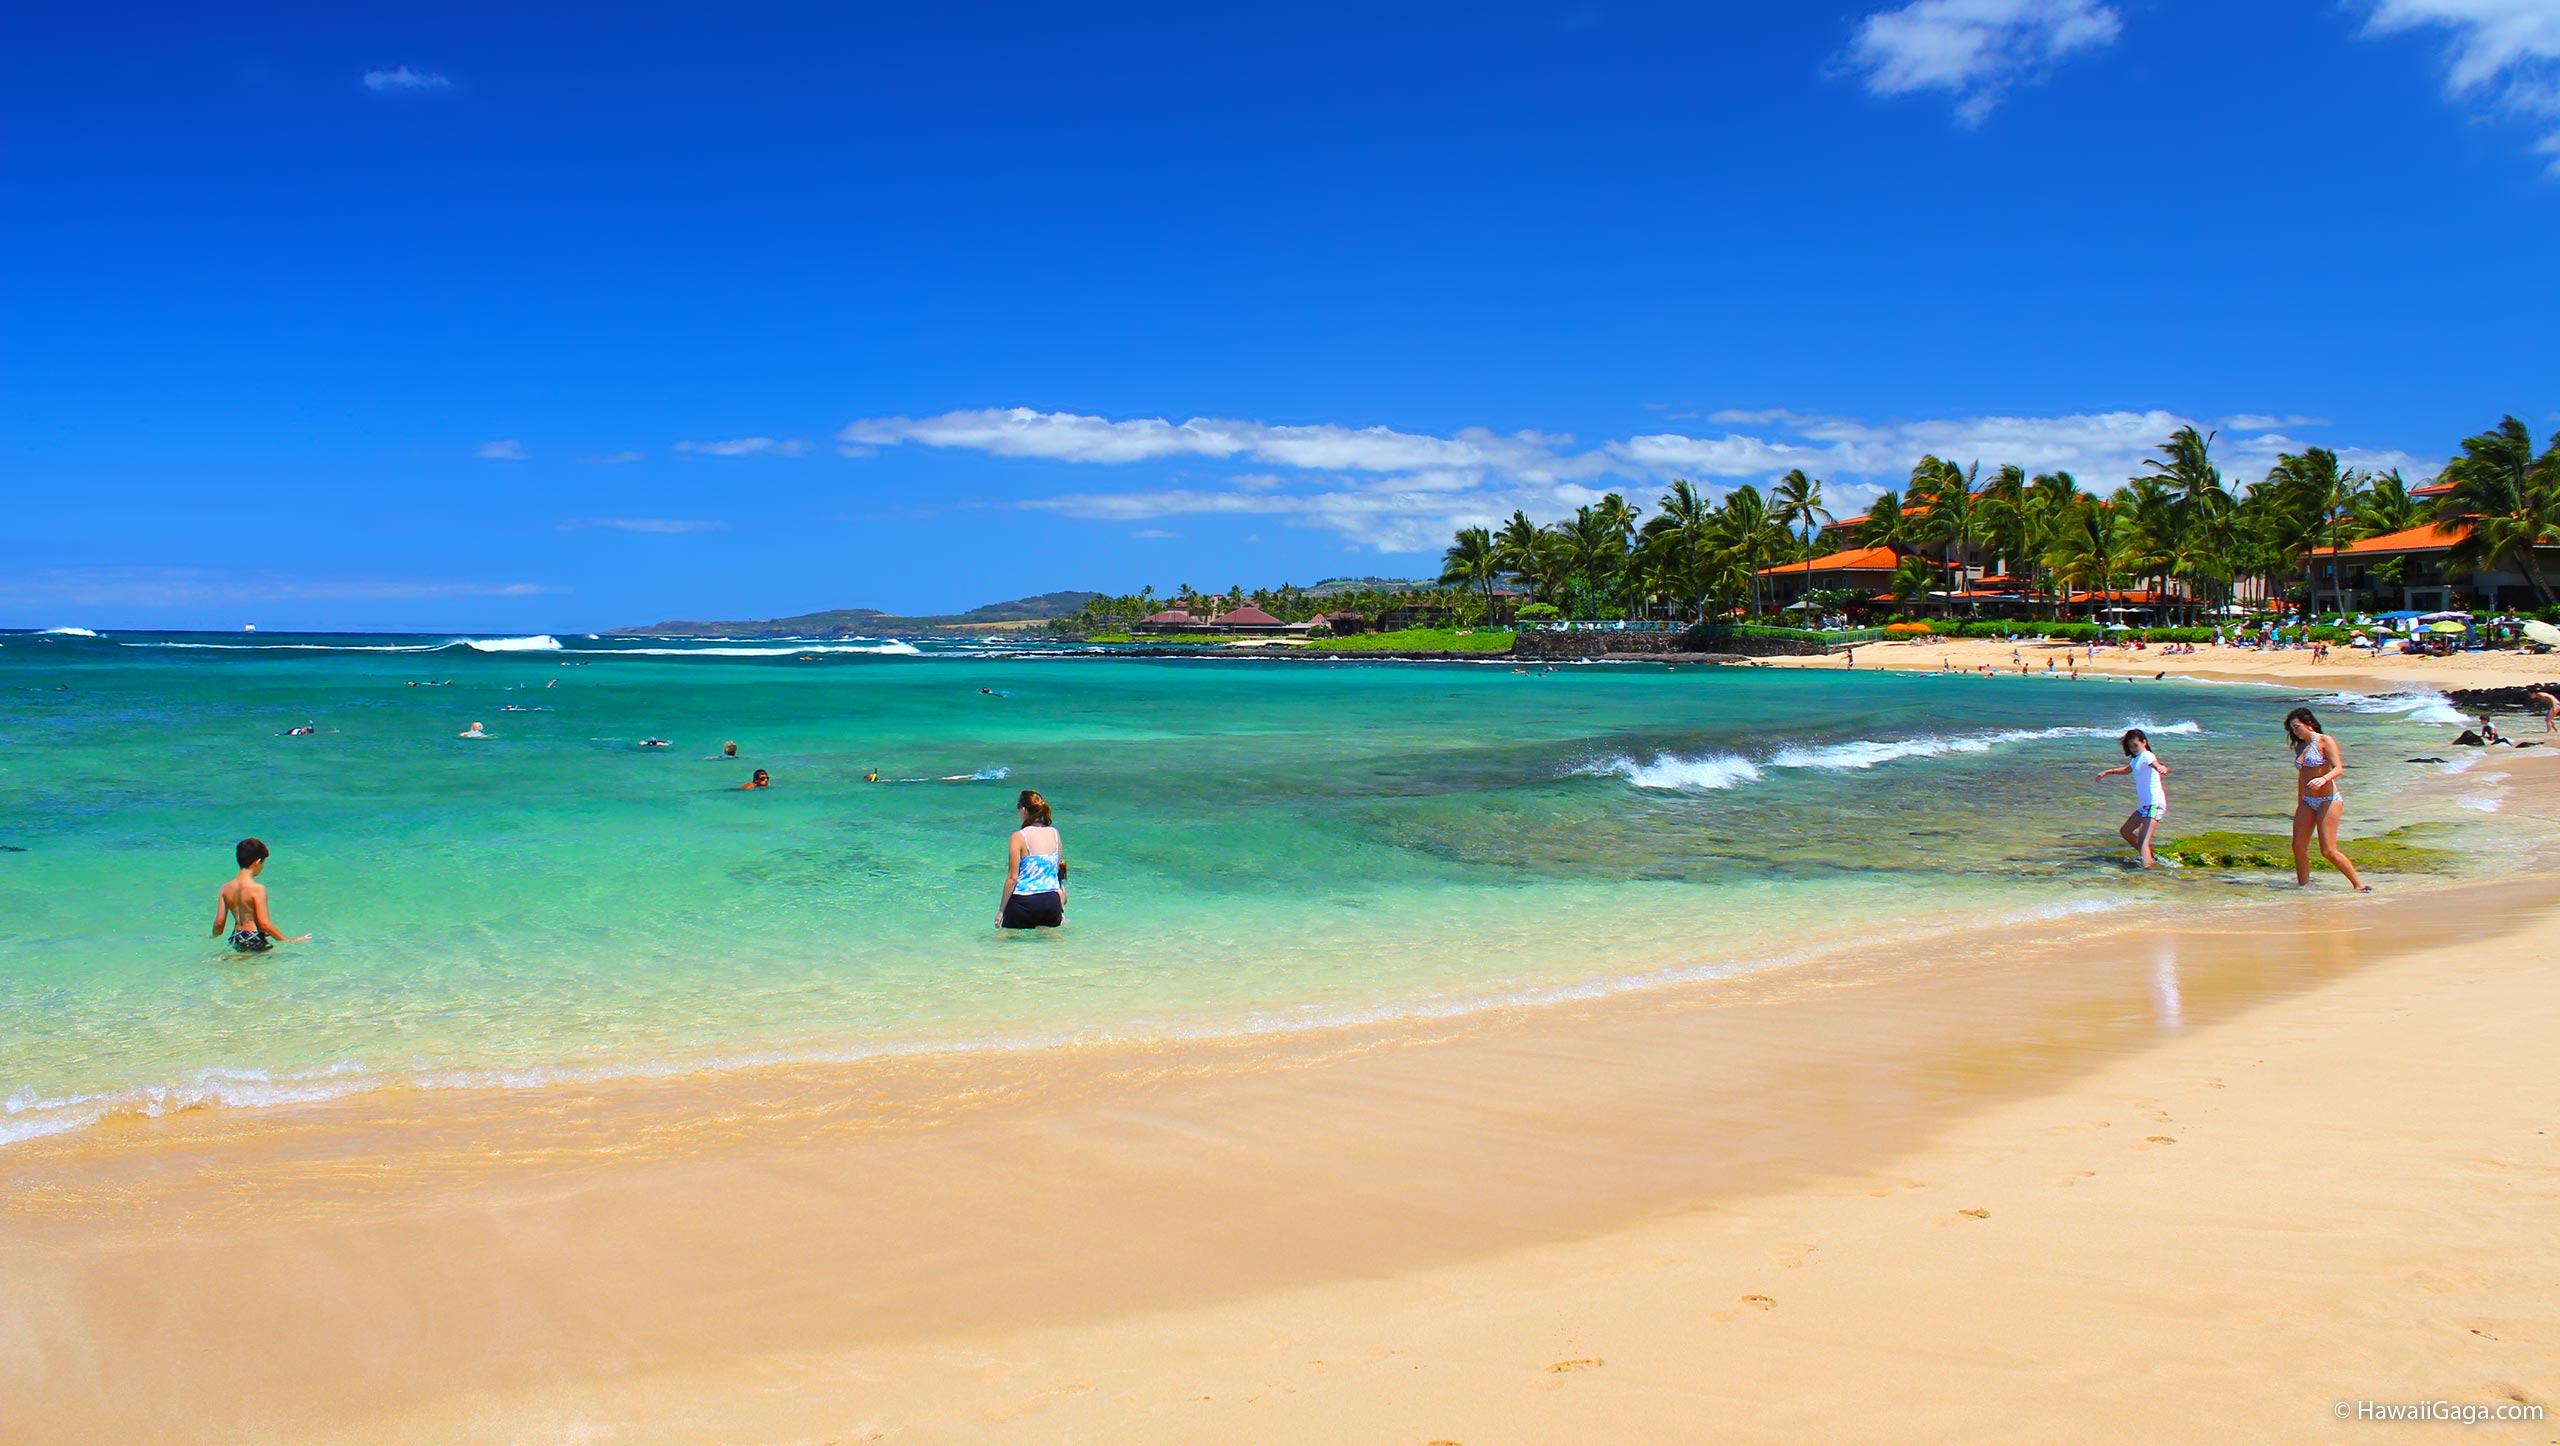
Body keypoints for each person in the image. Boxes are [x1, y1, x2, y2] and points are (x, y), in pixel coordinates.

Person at [2285, 707, 2371, 892]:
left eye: (2297, 726)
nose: (2295, 731)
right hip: (2308, 800)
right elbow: (2303, 777)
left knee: (2328, 850)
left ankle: (2359, 885)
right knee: (2298, 846)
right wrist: (2301, 804)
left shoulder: (2325, 741)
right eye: (2292, 729)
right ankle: (2303, 887)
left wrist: (2323, 778)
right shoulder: (2300, 746)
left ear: (2309, 724)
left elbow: (2339, 768)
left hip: (2328, 799)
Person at [211, 837, 309, 952]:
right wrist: (288, 940)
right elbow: (264, 923)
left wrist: (213, 937)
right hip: (254, 937)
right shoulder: (257, 889)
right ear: (257, 862)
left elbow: (219, 923)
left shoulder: (226, 888)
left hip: (237, 937)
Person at [2096, 728, 2170, 868]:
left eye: (2135, 745)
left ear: (2144, 742)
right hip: (2145, 806)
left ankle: (2147, 871)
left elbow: (2154, 764)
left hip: (2154, 804)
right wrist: (2107, 772)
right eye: (2130, 746)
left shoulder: (2148, 756)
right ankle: (2149, 858)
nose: (2133, 749)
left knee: (2143, 842)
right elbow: (2127, 770)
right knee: (2125, 831)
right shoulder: (2136, 759)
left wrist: (2161, 768)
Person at [997, 789, 1065, 929]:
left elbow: (1012, 878)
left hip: (1024, 901)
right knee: (1053, 946)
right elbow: (1057, 871)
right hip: (1052, 901)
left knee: (1006, 945)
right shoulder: (1054, 833)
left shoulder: (1019, 836)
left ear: (1023, 810)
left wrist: (1001, 911)